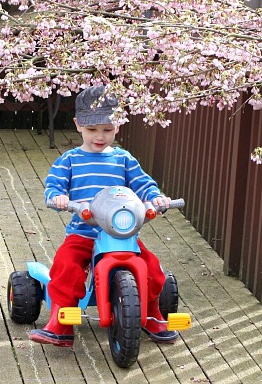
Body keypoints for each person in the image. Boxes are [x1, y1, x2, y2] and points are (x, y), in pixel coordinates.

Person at [29, 85, 179, 347]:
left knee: (154, 270)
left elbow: (143, 183)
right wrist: (59, 198)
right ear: (78, 125)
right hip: (84, 232)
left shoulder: (123, 159)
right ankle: (60, 322)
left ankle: (153, 314)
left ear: (117, 126)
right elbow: (54, 186)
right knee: (66, 266)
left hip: (122, 234)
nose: (100, 136)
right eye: (92, 130)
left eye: (107, 130)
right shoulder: (70, 160)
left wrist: (155, 198)